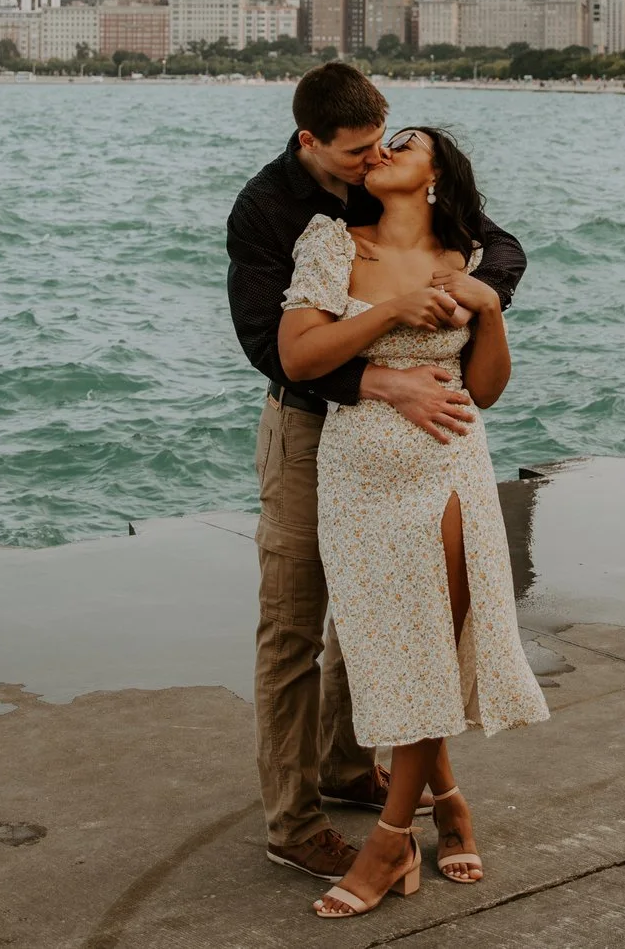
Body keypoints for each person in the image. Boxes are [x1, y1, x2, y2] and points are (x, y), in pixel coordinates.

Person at [223, 65, 527, 884]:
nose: (372, 161)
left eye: (385, 143)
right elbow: (268, 347)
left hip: (420, 447)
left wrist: (475, 296)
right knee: (294, 625)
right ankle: (293, 820)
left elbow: (498, 244)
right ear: (309, 142)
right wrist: (379, 378)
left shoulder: (393, 188)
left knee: (373, 620)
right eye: (357, 152)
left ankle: (348, 762)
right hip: (309, 425)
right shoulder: (270, 211)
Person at [278, 123, 549, 918]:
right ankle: (452, 801)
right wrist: (392, 309)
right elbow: (301, 356)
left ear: (436, 175)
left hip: (451, 460)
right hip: (359, 468)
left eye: (408, 142)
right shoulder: (333, 242)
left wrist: (488, 310)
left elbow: (489, 386)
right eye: (382, 142)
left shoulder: (463, 257)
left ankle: (391, 840)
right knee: (387, 648)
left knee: (437, 637)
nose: (387, 149)